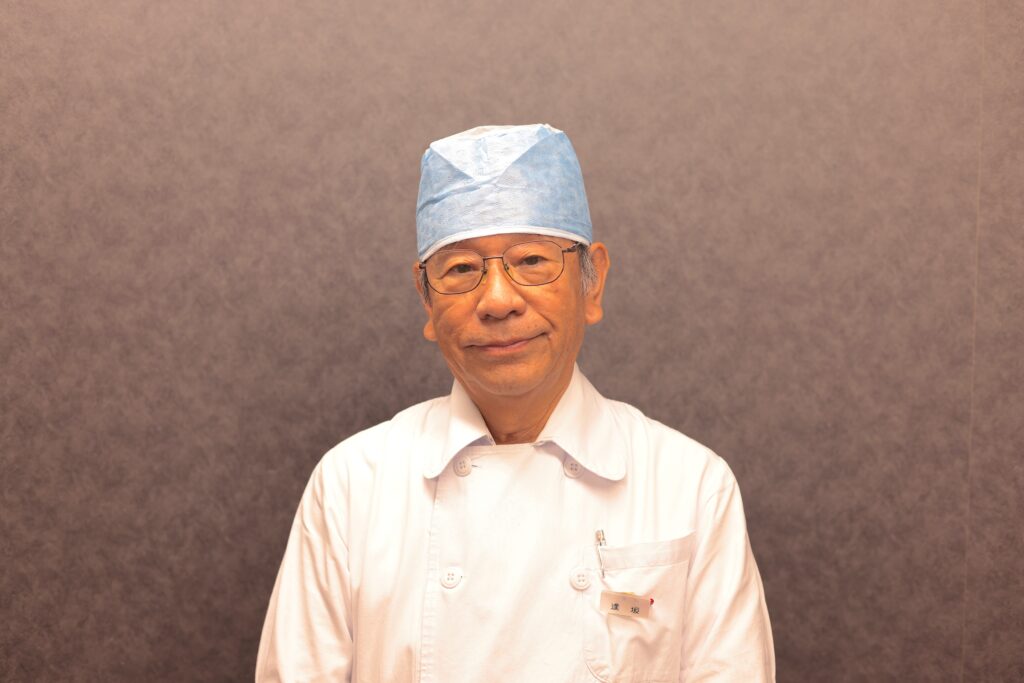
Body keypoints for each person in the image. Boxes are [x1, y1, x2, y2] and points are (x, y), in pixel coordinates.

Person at [256, 124, 775, 682]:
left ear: (592, 284)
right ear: (426, 301)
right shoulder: (352, 486)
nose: (499, 300)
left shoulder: (690, 486)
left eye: (531, 261)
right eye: (461, 269)